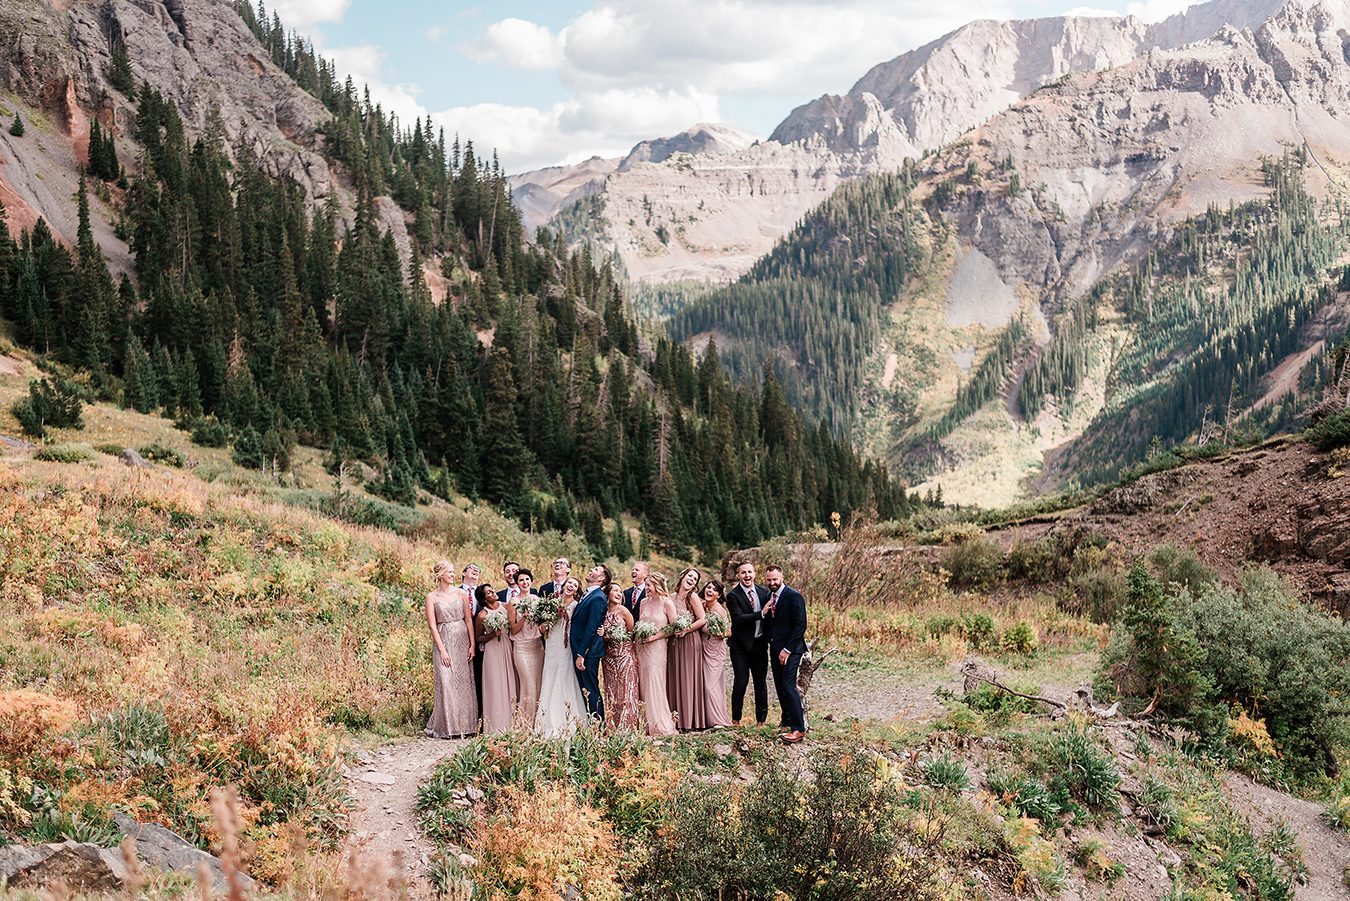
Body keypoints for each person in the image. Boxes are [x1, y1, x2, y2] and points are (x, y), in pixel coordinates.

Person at [424, 561, 477, 739]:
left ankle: (467, 726)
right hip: (444, 639)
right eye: (450, 572)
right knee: (446, 681)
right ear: (440, 575)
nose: (453, 575)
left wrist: (472, 644)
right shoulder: (432, 597)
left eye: (454, 572)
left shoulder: (461, 593)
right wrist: (442, 650)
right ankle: (447, 727)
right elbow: (432, 626)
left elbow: (469, 620)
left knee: (463, 683)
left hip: (462, 638)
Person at [536, 576, 588, 737]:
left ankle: (570, 719)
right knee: (550, 676)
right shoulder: (552, 603)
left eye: (575, 585)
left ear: (577, 591)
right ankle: (547, 720)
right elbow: (541, 627)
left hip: (566, 646)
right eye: (569, 583)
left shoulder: (576, 606)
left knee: (565, 677)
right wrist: (545, 625)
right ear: (563, 586)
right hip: (551, 644)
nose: (571, 585)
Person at [764, 565, 807, 743]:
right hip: (775, 648)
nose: (772, 582)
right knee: (780, 687)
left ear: (782, 577)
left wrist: (787, 650)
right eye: (769, 580)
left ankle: (799, 729)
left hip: (792, 649)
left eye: (775, 579)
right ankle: (786, 721)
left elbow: (801, 625)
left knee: (789, 686)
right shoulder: (769, 597)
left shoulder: (793, 596)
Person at [726, 561, 771, 726]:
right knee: (740, 682)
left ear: (754, 573)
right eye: (743, 573)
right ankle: (736, 719)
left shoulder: (764, 593)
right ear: (738, 575)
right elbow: (738, 619)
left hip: (759, 645)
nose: (747, 576)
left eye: (750, 572)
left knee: (761, 683)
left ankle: (761, 721)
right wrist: (761, 613)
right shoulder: (733, 595)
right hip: (740, 647)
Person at [635, 573, 677, 737]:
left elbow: (673, 628)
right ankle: (645, 723)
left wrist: (654, 636)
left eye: (649, 586)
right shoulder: (643, 602)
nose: (646, 589)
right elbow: (640, 623)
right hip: (642, 647)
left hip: (657, 647)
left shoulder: (667, 603)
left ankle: (659, 724)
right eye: (646, 586)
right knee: (643, 682)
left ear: (658, 586)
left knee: (654, 681)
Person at [667, 567, 708, 731]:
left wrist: (686, 629)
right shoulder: (670, 597)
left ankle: (690, 721)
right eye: (690, 576)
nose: (692, 580)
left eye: (695, 579)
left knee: (687, 678)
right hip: (674, 642)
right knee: (674, 677)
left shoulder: (693, 597)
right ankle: (675, 720)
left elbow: (702, 620)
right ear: (683, 576)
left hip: (690, 640)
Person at [570, 563, 611, 722]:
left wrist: (581, 654)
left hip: (588, 652)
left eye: (595, 570)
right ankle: (589, 724)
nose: (591, 570)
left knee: (591, 689)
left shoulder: (599, 598)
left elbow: (591, 629)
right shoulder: (587, 594)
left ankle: (599, 727)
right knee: (585, 689)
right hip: (581, 650)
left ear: (601, 578)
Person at [475, 583, 517, 735]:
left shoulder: (506, 607)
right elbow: (478, 638)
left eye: (492, 589)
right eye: (489, 592)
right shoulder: (482, 615)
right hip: (492, 651)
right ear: (484, 599)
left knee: (510, 682)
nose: (493, 592)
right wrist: (493, 634)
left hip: (508, 646)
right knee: (495, 686)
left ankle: (513, 723)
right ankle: (495, 725)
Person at [601, 582, 640, 731]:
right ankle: (612, 726)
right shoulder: (602, 612)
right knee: (611, 691)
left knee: (626, 690)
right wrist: (605, 636)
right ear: (608, 594)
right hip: (608, 658)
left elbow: (631, 632)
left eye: (620, 591)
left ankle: (628, 726)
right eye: (615, 591)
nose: (618, 593)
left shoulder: (623, 611)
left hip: (625, 655)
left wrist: (617, 637)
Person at [507, 568, 543, 727]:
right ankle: (524, 723)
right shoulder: (513, 602)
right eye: (521, 580)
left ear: (531, 581)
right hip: (521, 647)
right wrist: (524, 618)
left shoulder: (536, 599)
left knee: (538, 683)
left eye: (527, 579)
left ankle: (540, 721)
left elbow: (542, 623)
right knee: (527, 684)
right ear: (517, 583)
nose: (525, 582)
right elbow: (512, 629)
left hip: (537, 646)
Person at [699, 579, 733, 729]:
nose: (709, 590)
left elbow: (728, 632)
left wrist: (717, 632)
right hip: (700, 648)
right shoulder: (701, 606)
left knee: (710, 685)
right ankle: (705, 719)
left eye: (713, 589)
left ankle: (718, 720)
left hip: (715, 650)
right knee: (701, 684)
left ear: (719, 595)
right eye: (708, 587)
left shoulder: (720, 611)